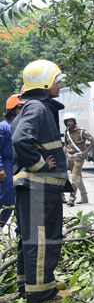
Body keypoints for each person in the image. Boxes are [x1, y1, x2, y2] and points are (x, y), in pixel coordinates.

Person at [12, 59, 71, 303]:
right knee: (43, 237)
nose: (59, 86)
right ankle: (40, 292)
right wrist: (42, 165)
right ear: (46, 83)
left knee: (31, 236)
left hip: (35, 187)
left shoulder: (34, 106)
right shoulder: (37, 107)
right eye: (57, 81)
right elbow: (20, 140)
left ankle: (29, 284)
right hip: (39, 186)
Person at [0, 94, 25, 228]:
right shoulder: (3, 126)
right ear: (12, 109)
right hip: (7, 166)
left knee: (21, 203)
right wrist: (1, 168)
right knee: (6, 201)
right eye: (20, 107)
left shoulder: (25, 125)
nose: (23, 109)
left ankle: (19, 233)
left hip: (21, 166)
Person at [63, 112, 94, 206]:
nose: (69, 123)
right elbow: (66, 143)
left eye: (71, 121)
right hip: (70, 157)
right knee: (78, 178)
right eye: (67, 121)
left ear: (74, 121)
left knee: (74, 177)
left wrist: (86, 152)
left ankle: (72, 198)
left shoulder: (81, 131)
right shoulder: (67, 132)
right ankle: (84, 197)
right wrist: (66, 152)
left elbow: (93, 140)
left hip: (79, 157)